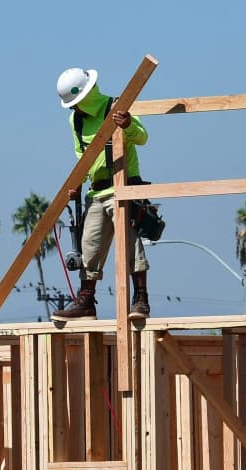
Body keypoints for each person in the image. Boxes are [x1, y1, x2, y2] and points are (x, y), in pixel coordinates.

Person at [50, 66, 152, 322]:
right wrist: (78, 184)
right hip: (97, 191)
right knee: (90, 247)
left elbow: (142, 138)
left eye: (75, 102)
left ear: (86, 96)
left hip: (124, 184)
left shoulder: (117, 106)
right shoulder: (77, 120)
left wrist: (127, 125)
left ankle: (140, 298)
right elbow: (81, 156)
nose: (73, 108)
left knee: (131, 244)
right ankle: (86, 300)